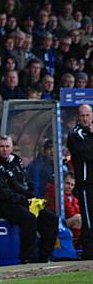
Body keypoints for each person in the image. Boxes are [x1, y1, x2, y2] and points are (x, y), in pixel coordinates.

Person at [0, 135, 58, 263]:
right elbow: (1, 192)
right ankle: (27, 258)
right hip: (0, 204)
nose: (4, 149)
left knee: (50, 218)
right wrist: (24, 200)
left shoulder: (16, 163)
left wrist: (32, 197)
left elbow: (25, 183)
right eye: (1, 146)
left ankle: (45, 256)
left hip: (20, 202)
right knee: (28, 218)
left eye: (7, 146)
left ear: (12, 148)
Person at [67, 104, 93, 259]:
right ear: (78, 117)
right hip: (85, 182)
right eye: (82, 116)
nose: (85, 119)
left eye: (87, 115)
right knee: (89, 217)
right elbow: (88, 153)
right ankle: (89, 251)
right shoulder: (75, 134)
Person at [45, 172, 81, 247]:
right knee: (78, 218)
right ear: (61, 182)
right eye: (67, 183)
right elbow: (70, 212)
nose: (70, 187)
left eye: (72, 185)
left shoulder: (71, 197)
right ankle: (71, 246)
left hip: (64, 222)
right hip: (54, 223)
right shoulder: (56, 192)